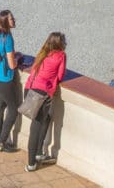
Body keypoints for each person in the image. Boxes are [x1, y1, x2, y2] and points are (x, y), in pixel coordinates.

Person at [24, 32, 67, 172]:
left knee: (45, 119)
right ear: (60, 43)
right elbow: (60, 76)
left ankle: (37, 153)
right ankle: (31, 163)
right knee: (35, 127)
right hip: (42, 93)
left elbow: (34, 70)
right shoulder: (61, 55)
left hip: (30, 88)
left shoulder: (42, 52)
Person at [0, 11, 22, 153]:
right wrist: (17, 59)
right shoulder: (7, 38)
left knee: (0, 107)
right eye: (12, 18)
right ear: (6, 22)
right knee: (13, 110)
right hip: (5, 79)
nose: (14, 20)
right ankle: (1, 142)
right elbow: (12, 65)